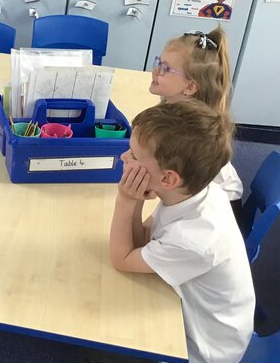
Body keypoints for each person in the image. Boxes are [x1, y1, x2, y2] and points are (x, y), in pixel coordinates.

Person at [109, 100, 255, 363]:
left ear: (168, 179)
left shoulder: (194, 239)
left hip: (200, 350)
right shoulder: (192, 193)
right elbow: (141, 241)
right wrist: (137, 198)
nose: (124, 157)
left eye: (134, 156)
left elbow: (122, 259)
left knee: (97, 345)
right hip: (193, 315)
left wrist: (126, 199)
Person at [148, 27, 243, 222]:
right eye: (158, 62)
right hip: (197, 194)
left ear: (190, 87)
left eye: (165, 68)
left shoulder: (192, 132)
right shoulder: (175, 108)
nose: (155, 71)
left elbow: (175, 183)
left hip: (219, 211)